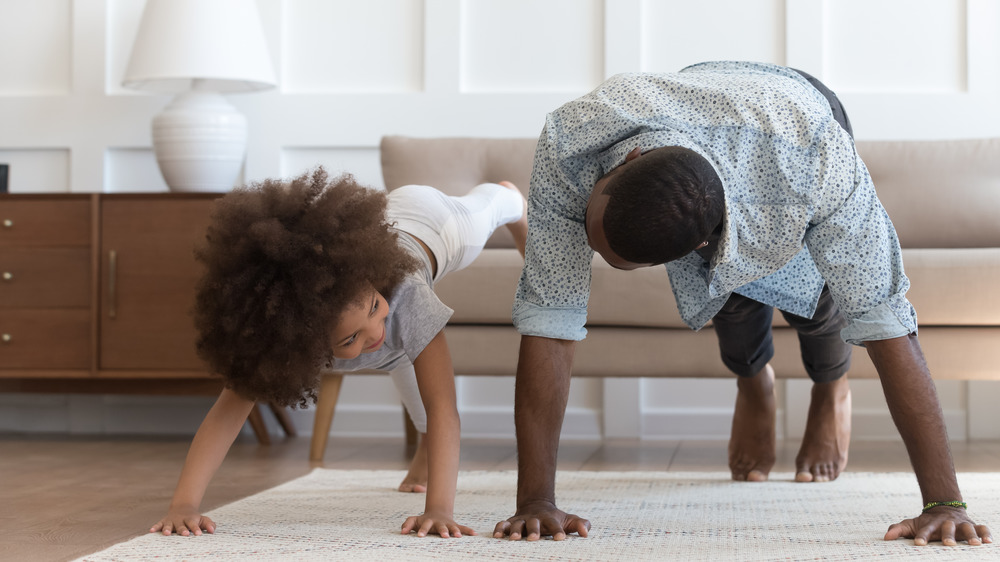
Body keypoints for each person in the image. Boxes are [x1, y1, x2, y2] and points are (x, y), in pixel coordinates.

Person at [493, 61, 992, 547]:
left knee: (820, 304)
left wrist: (944, 504)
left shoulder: (819, 160)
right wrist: (537, 500)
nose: (589, 247)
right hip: (703, 93)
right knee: (730, 300)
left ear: (699, 244)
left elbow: (884, 319)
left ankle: (830, 387)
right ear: (627, 161)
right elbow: (550, 317)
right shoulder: (573, 138)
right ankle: (754, 381)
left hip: (800, 116)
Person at [149, 168, 527, 539]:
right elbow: (225, 417)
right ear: (304, 342)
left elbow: (443, 405)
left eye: (374, 308)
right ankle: (422, 458)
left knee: (491, 208)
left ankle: (510, 198)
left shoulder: (406, 297)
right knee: (398, 354)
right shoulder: (289, 335)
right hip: (392, 231)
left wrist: (439, 510)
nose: (376, 332)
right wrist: (183, 504)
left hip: (433, 222)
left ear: (373, 281)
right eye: (350, 340)